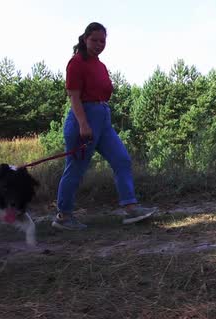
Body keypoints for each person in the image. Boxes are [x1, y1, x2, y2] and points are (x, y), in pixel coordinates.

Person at [52, 22, 157, 230]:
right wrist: (83, 124)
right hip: (83, 117)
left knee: (122, 160)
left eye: (103, 41)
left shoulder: (100, 65)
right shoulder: (76, 63)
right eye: (95, 40)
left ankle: (130, 208)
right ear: (85, 39)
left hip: (103, 118)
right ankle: (63, 217)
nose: (99, 44)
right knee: (75, 169)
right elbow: (74, 97)